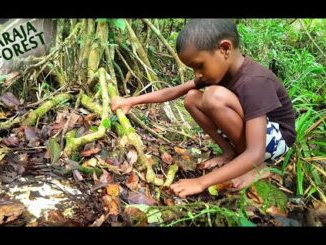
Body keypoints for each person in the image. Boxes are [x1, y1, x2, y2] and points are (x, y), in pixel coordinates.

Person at [111, 19, 296, 198]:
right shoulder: (218, 71)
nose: (198, 74)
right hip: (254, 134)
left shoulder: (254, 81)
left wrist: (201, 182)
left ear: (225, 49)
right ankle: (230, 153)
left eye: (199, 66)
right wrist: (130, 101)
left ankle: (258, 168)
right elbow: (174, 92)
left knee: (214, 96)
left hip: (275, 139)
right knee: (192, 98)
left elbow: (256, 151)